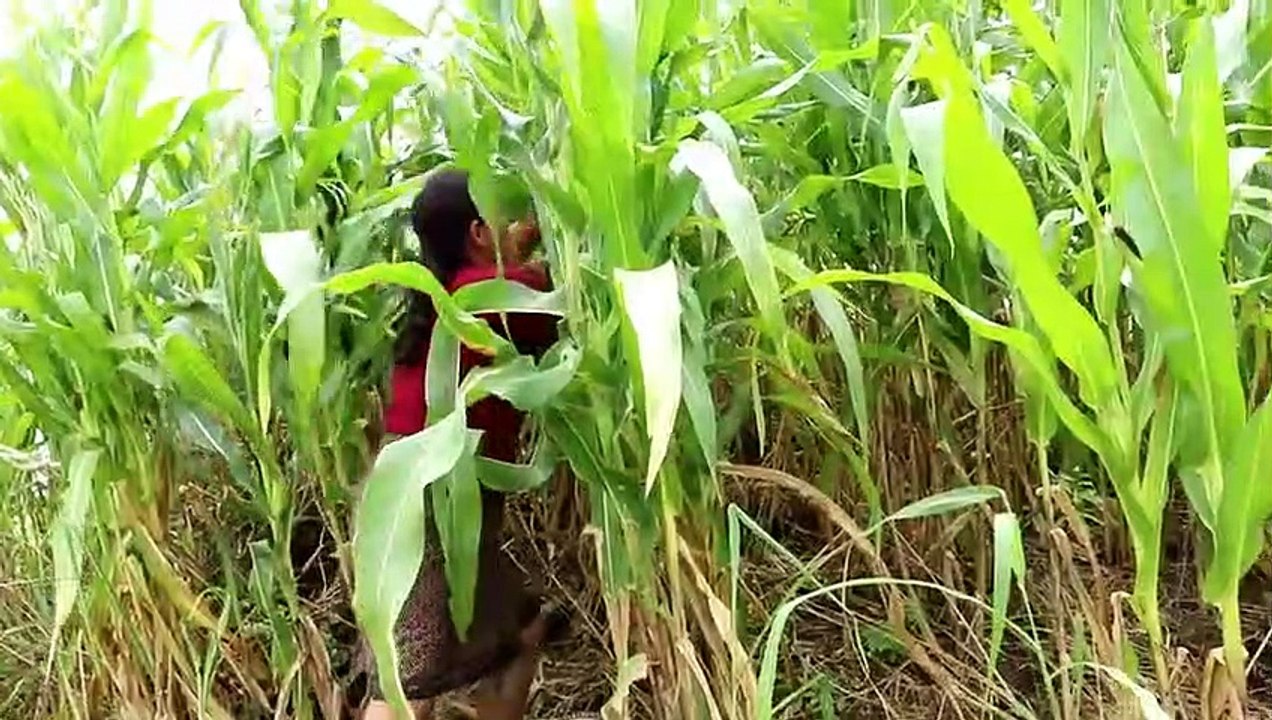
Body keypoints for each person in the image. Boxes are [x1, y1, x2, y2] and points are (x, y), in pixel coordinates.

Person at [362, 168, 557, 720]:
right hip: (426, 502)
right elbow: (555, 300)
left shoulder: (449, 294)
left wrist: (515, 240)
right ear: (477, 232)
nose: (513, 226)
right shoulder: (480, 296)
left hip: (455, 500)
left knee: (518, 635)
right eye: (500, 217)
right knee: (407, 678)